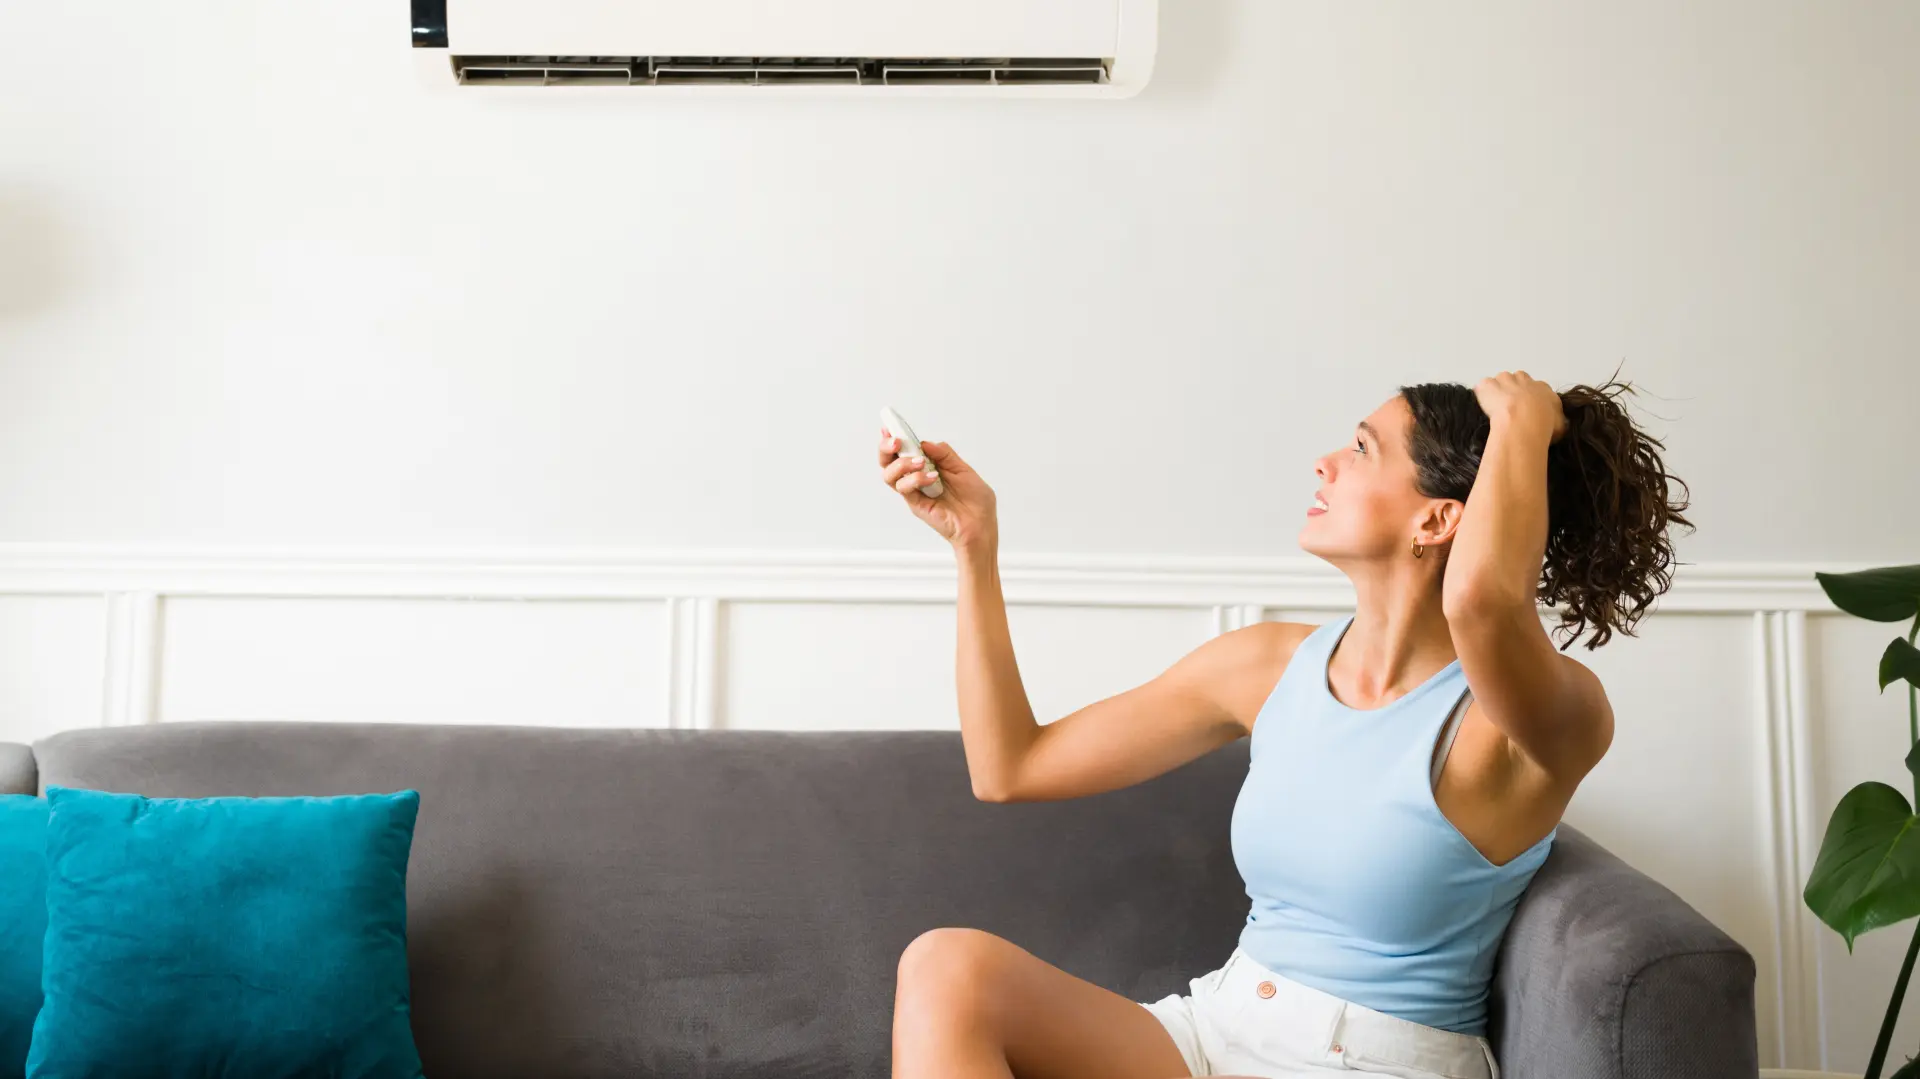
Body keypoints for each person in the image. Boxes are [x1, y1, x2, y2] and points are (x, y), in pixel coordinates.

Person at [878, 371, 1693, 1079]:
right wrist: (973, 545)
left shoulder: (1535, 723)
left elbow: (1481, 602)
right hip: (1215, 1031)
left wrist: (1523, 416)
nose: (1325, 462)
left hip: (1372, 1061)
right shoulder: (1268, 665)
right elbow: (1009, 767)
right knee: (948, 967)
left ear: (1437, 521)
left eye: (1363, 449)